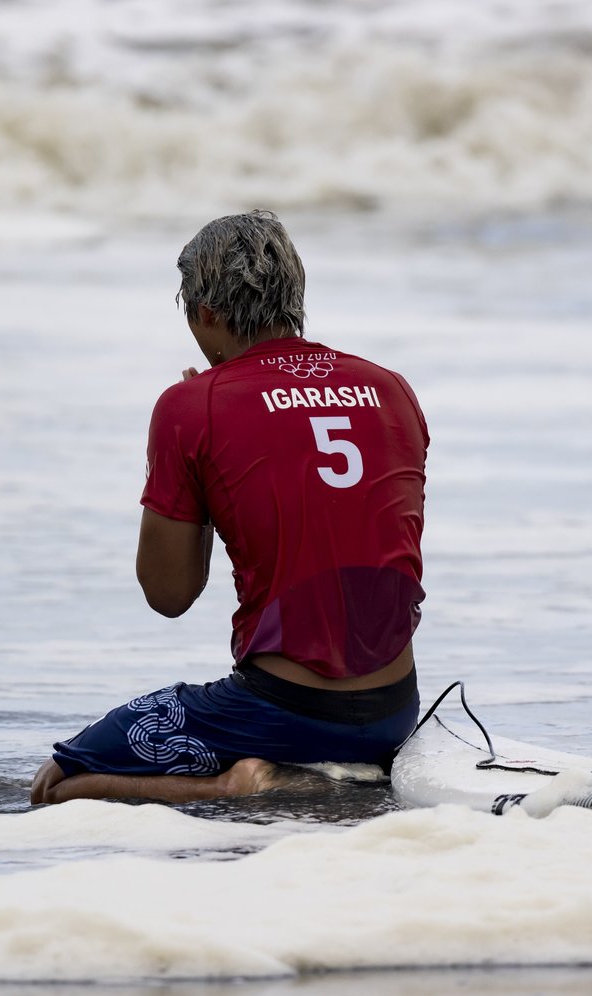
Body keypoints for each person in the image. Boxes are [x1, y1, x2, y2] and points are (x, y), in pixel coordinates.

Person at [30, 211, 428, 805]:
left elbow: (169, 595)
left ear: (207, 315)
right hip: (394, 710)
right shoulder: (390, 388)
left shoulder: (192, 407)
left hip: (282, 713)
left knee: (59, 780)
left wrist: (204, 457)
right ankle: (323, 769)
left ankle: (239, 782)